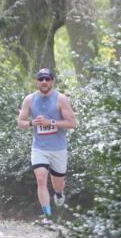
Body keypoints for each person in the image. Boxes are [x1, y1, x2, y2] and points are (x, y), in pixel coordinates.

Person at [17, 68, 77, 225]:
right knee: (41, 179)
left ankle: (59, 193)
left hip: (58, 149)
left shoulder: (61, 99)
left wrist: (50, 122)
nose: (44, 82)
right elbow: (20, 122)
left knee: (58, 183)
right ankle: (48, 217)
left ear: (52, 81)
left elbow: (72, 123)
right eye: (41, 79)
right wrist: (32, 123)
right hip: (39, 148)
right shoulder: (29, 99)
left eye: (47, 79)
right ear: (37, 81)